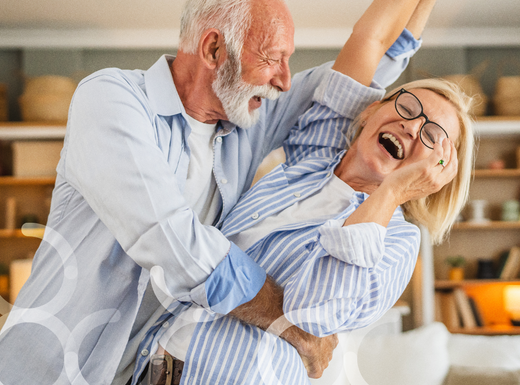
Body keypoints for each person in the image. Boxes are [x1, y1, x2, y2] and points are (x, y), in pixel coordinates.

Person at [0, 1, 422, 385]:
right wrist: (289, 323)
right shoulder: (112, 99)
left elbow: (354, 79)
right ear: (214, 50)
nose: (284, 80)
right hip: (43, 371)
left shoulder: (245, 116)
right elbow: (169, 240)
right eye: (273, 59)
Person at [133, 0, 475, 383]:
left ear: (438, 172)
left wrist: (392, 193)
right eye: (409, 108)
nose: (413, 128)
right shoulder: (317, 154)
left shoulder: (397, 241)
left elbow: (310, 313)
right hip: (158, 368)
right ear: (369, 111)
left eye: (433, 137)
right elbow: (373, 39)